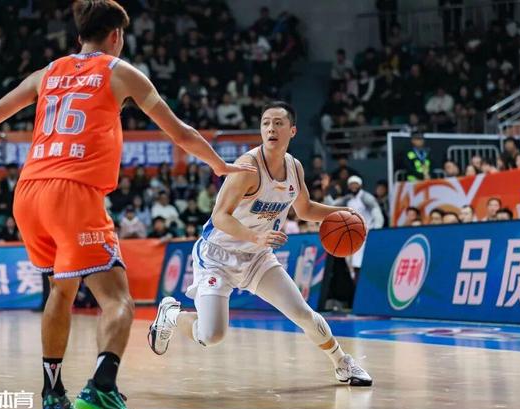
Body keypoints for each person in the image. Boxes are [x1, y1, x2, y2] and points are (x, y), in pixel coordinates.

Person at [0, 0, 255, 409]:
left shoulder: (47, 72)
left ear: (79, 37)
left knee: (61, 289)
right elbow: (180, 132)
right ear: (116, 36)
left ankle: (52, 392)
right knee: (119, 300)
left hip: (29, 193)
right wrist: (218, 165)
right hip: (72, 193)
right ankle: (103, 387)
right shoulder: (121, 71)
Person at [148, 102, 372, 387]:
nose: (271, 128)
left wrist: (343, 213)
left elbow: (304, 210)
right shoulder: (248, 167)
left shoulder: (294, 168)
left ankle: (342, 363)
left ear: (292, 131)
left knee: (302, 313)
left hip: (257, 258)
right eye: (266, 123)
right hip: (218, 256)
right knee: (211, 335)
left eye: (278, 123)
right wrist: (257, 237)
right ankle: (171, 314)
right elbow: (219, 217)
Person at [335, 175, 384, 284]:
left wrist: (377, 230)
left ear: (360, 185)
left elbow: (377, 214)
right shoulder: (347, 199)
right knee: (350, 264)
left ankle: (363, 283)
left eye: (355, 184)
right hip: (352, 235)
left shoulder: (366, 197)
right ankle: (355, 283)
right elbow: (332, 206)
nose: (353, 186)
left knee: (361, 262)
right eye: (351, 184)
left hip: (367, 234)